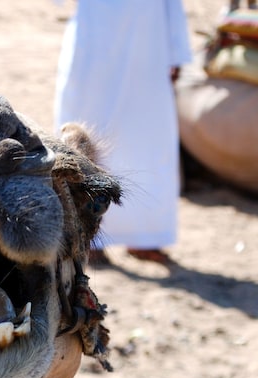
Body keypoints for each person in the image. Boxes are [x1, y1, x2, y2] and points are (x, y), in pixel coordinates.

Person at [54, 0, 192, 265]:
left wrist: (176, 51)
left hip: (148, 42)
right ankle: (88, 235)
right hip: (94, 42)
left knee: (147, 136)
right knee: (85, 136)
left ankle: (145, 237)